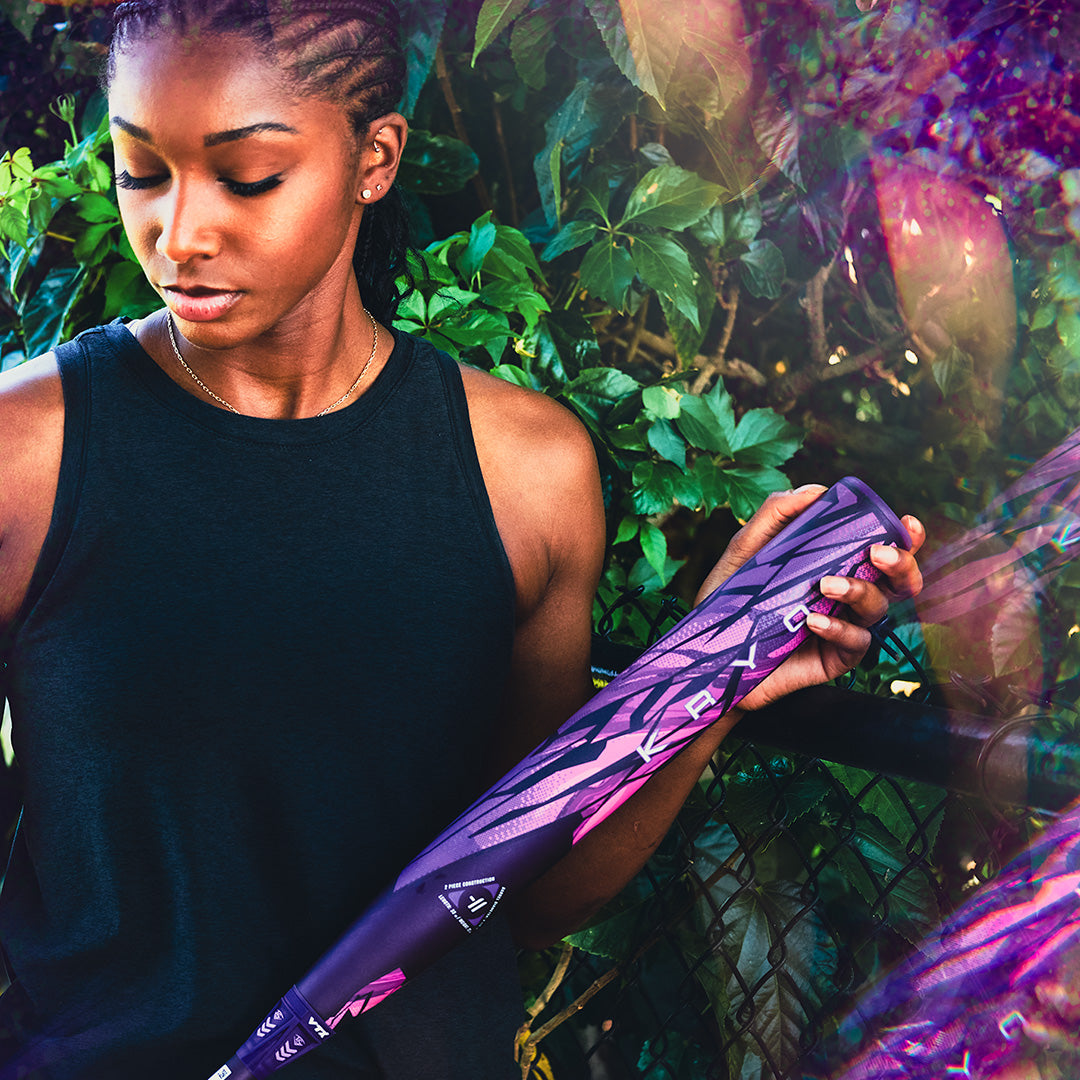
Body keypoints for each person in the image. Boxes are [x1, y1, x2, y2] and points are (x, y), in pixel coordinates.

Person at [0, 1, 925, 1077]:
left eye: (246, 176)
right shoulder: (29, 456)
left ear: (374, 158)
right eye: (140, 171)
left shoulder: (526, 474)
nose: (179, 231)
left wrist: (716, 664)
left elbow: (528, 890)